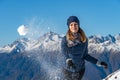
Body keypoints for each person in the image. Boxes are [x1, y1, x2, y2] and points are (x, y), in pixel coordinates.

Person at [61, 16, 108, 80]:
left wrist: (98, 63)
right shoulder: (65, 40)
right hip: (68, 70)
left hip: (80, 70)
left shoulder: (84, 40)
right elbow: (64, 53)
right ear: (69, 27)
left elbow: (85, 55)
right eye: (71, 24)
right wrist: (68, 61)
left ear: (78, 25)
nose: (73, 26)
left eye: (75, 24)